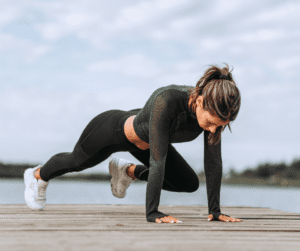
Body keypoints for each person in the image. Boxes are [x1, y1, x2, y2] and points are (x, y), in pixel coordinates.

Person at [24, 64, 242, 224]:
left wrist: (215, 210)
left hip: (144, 144)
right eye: (212, 123)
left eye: (221, 125)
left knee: (188, 183)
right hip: (112, 130)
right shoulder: (167, 100)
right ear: (201, 101)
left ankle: (128, 171)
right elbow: (158, 161)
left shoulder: (215, 112)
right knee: (76, 161)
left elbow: (213, 160)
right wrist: (153, 212)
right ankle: (37, 176)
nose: (214, 129)